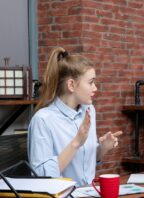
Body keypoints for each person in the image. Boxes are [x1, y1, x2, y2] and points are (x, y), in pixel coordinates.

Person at [28, 47, 122, 186]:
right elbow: (41, 177)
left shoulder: (89, 110)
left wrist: (102, 148)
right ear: (71, 85)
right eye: (90, 82)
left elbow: (84, 160)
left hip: (88, 194)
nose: (95, 88)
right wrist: (76, 142)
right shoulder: (43, 120)